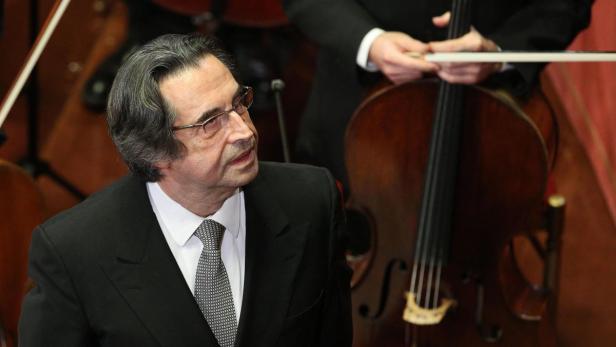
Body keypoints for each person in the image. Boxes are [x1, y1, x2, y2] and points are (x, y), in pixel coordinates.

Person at [19, 33, 352, 347]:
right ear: (154, 151)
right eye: (211, 123)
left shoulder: (312, 201)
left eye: (239, 103)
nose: (244, 131)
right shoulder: (72, 253)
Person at [282, 0, 593, 192]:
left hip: (487, 120)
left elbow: (565, 5)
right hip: (352, 109)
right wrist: (369, 42)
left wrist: (499, 51)